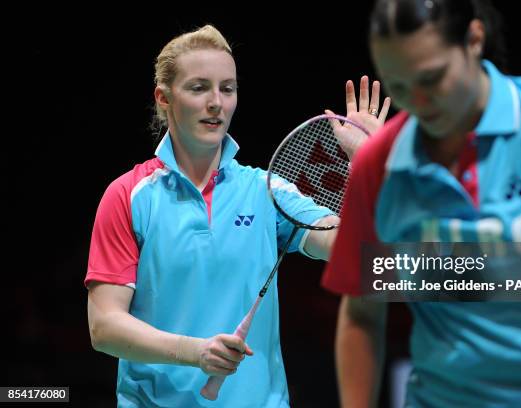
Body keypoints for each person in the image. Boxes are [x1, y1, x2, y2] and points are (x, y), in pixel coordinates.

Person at [321, 0, 521, 407]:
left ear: (474, 40)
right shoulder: (380, 165)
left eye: (432, 79)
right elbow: (363, 316)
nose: (418, 102)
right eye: (400, 87)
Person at [84, 25, 389, 407]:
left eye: (227, 89)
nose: (216, 102)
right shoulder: (128, 196)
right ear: (164, 98)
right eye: (199, 88)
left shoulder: (265, 191)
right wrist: (194, 351)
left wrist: (370, 167)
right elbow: (104, 327)